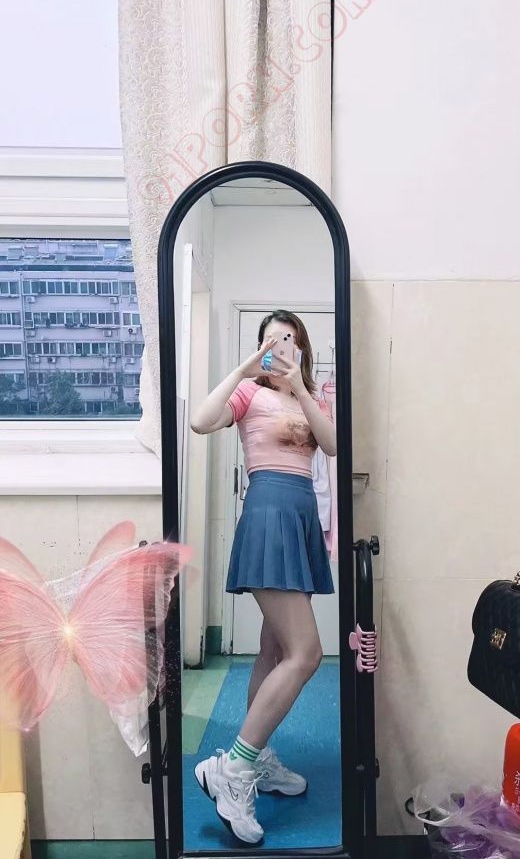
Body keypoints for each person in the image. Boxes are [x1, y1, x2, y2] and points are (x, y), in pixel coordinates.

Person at [190, 309, 336, 844]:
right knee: (307, 653)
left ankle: (259, 756)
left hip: (300, 519)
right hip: (269, 515)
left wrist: (299, 386)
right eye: (269, 341)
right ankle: (234, 767)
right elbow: (200, 421)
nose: (279, 347)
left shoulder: (311, 398)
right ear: (260, 349)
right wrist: (242, 369)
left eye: (288, 340)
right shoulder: (248, 394)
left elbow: (332, 445)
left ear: (301, 348)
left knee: (274, 651)